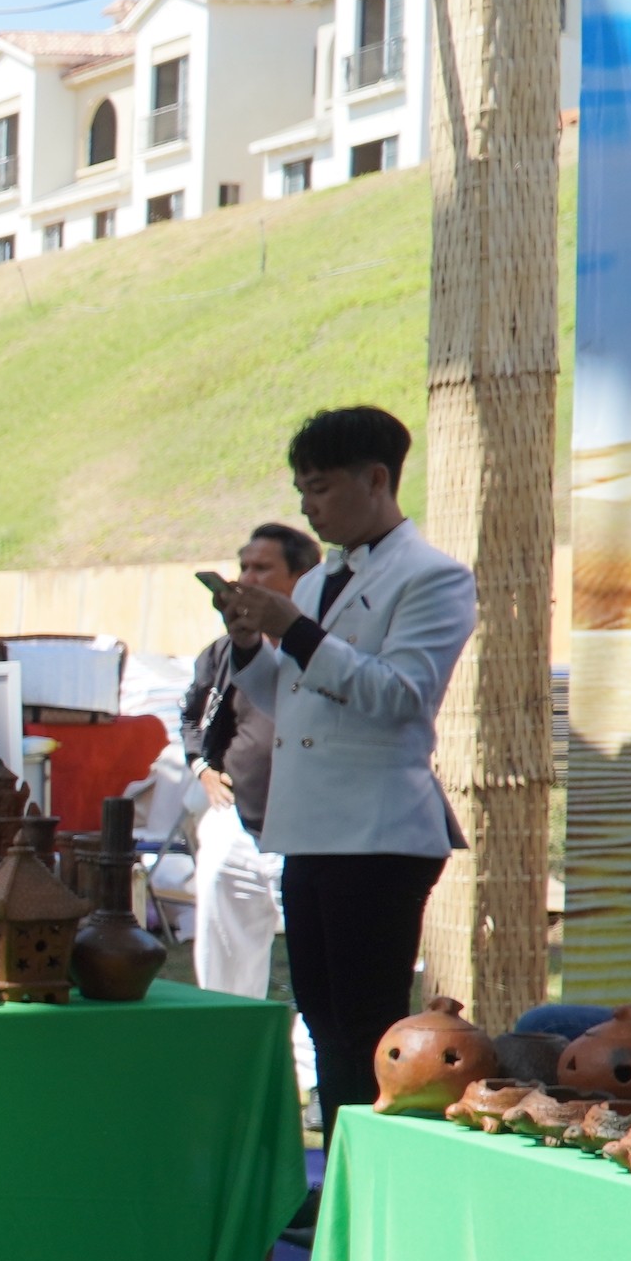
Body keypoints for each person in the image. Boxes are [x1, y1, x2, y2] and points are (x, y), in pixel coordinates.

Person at [213, 406, 477, 1126]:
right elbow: (296, 699)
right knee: (323, 1027)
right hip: (311, 829)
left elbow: (399, 695)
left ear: (377, 478)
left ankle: (367, 1180)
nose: (308, 505)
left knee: (368, 1033)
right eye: (301, 489)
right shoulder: (325, 575)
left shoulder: (433, 577)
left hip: (378, 833)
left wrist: (291, 628)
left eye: (321, 487)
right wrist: (249, 647)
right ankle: (338, 1179)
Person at [183, 522, 315, 1000]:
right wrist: (201, 767)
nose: (248, 578)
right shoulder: (223, 652)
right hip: (233, 820)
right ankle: (225, 1041)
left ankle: (311, 1066)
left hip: (306, 827)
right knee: (225, 953)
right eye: (244, 567)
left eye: (263, 568)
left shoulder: (325, 649)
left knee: (313, 959)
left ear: (301, 578)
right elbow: (193, 717)